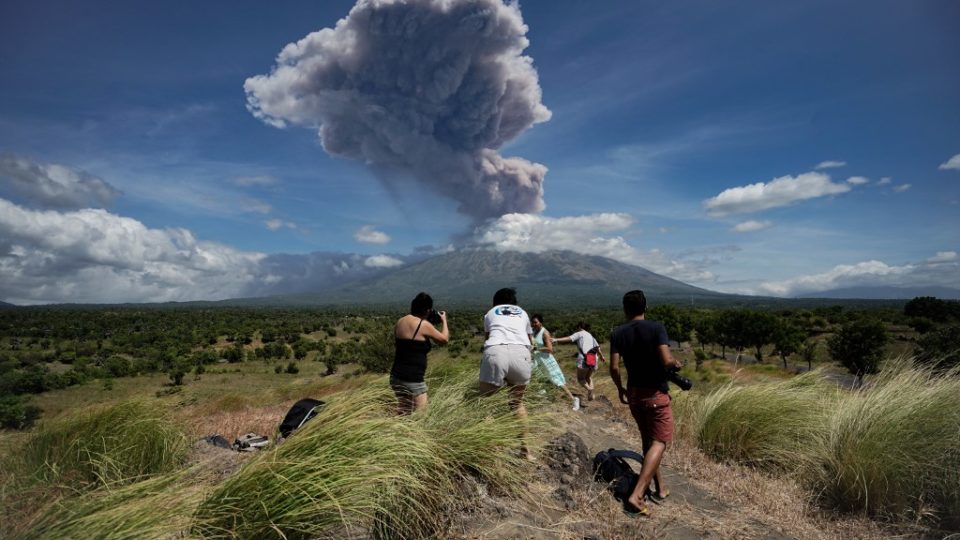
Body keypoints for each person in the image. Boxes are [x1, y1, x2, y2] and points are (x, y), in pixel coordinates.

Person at [608, 290, 681, 517]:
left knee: (648, 441)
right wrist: (676, 363)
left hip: (634, 395)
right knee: (660, 442)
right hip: (655, 394)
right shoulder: (656, 328)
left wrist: (620, 388)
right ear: (645, 307)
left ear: (625, 309)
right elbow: (667, 360)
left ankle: (660, 489)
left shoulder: (617, 333)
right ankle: (637, 496)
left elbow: (613, 367)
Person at [479, 287, 536, 460]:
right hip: (522, 354)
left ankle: (492, 452)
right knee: (517, 404)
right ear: (514, 303)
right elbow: (530, 341)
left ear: (495, 301)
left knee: (486, 405)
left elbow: (488, 338)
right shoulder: (523, 313)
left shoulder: (490, 313)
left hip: (496, 352)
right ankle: (525, 451)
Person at [390, 292, 448, 415]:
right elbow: (444, 339)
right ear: (427, 310)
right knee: (422, 416)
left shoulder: (400, 321)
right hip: (413, 378)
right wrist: (444, 321)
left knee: (404, 412)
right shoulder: (423, 325)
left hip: (396, 375)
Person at [530, 314, 580, 411]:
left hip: (546, 360)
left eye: (535, 322)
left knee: (557, 380)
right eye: (532, 322)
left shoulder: (545, 333)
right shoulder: (533, 332)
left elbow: (550, 349)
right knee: (540, 380)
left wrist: (536, 348)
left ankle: (573, 399)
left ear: (540, 322)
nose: (534, 324)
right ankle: (546, 399)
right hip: (537, 360)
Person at [553, 322, 606, 401]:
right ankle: (591, 395)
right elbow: (597, 347)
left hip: (584, 358)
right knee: (588, 377)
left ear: (580, 327)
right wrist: (602, 356)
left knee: (581, 379)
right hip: (593, 358)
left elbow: (569, 338)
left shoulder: (579, 333)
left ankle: (589, 389)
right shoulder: (590, 335)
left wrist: (556, 339)